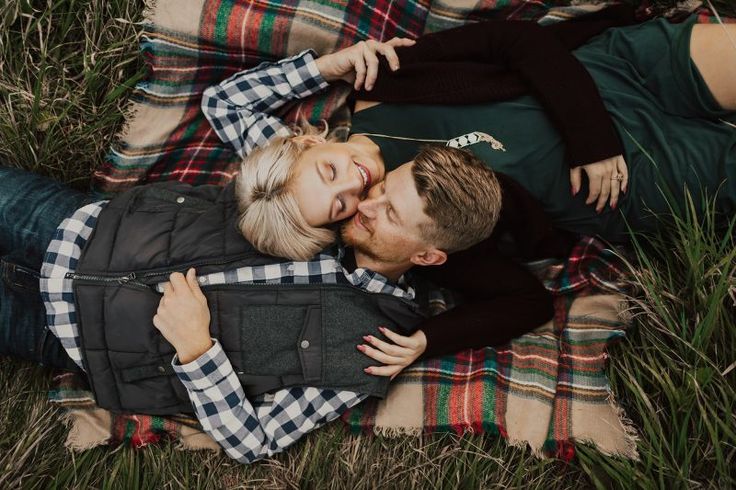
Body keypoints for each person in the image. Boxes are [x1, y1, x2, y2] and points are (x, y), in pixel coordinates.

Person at [201, 7, 736, 376]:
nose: (355, 185)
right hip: (625, 182)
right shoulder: (418, 232)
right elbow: (524, 302)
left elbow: (514, 41)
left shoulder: (384, 80)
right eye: (340, 207)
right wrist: (427, 342)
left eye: (328, 172)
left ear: (308, 141)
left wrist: (321, 68)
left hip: (607, 72)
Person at [0, 144, 503, 464]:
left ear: (428, 255)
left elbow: (254, 442)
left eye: (390, 213)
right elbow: (240, 110)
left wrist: (198, 351)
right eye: (383, 188)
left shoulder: (369, 348)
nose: (364, 204)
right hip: (71, 225)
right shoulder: (331, 197)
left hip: (63, 332)